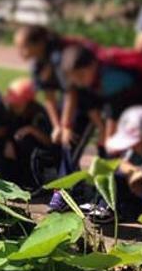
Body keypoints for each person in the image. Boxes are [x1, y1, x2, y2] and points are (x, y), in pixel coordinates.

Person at [14, 25, 96, 178]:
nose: (19, 52)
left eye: (23, 47)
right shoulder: (37, 64)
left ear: (39, 44)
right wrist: (56, 126)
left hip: (86, 101)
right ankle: (59, 178)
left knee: (69, 140)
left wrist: (66, 126)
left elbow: (71, 92)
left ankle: (67, 188)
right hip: (66, 101)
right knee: (53, 134)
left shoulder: (59, 57)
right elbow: (49, 96)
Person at [59, 43, 142, 156]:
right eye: (75, 79)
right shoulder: (88, 80)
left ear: (93, 65)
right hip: (118, 103)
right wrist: (101, 128)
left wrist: (108, 141)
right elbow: (89, 103)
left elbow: (114, 111)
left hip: (141, 102)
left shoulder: (110, 78)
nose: (79, 81)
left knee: (111, 147)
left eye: (81, 75)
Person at [0, 78, 57, 188]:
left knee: (26, 140)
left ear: (28, 102)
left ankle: (30, 182)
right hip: (14, 152)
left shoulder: (39, 114)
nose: (14, 106)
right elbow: (5, 130)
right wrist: (8, 142)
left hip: (37, 156)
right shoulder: (10, 111)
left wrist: (32, 130)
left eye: (18, 103)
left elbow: (49, 142)